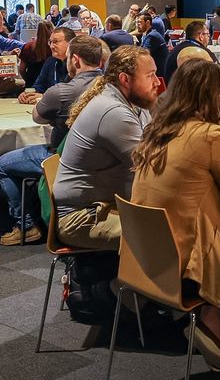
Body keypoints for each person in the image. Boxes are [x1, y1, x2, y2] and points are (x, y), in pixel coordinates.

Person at [130, 59, 220, 371]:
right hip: (187, 265)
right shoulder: (213, 136)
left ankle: (210, 317)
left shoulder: (156, 131)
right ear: (212, 96)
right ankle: (215, 326)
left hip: (144, 258)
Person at [0, 35, 104, 245]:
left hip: (62, 159)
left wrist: (49, 108)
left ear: (75, 60)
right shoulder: (112, 88)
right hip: (102, 163)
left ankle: (26, 226)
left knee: (2, 164)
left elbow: (37, 118)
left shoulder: (61, 91)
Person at [53, 46, 158, 250]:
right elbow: (151, 167)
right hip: (82, 217)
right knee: (168, 233)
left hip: (105, 205)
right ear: (125, 79)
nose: (157, 82)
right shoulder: (113, 112)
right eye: (150, 75)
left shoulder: (134, 104)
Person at [164, 20, 220, 85]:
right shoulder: (202, 52)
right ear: (201, 36)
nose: (209, 37)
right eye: (208, 34)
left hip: (172, 95)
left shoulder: (175, 50)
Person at [22, 26, 75, 103]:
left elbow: (73, 94)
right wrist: (28, 95)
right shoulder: (50, 62)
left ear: (70, 43)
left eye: (55, 42)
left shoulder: (77, 64)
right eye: (50, 42)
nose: (51, 46)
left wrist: (45, 97)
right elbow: (39, 86)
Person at [20, 21, 53, 87]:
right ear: (52, 29)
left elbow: (21, 69)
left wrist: (26, 80)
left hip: (31, 84)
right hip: (50, 85)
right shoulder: (54, 48)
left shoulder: (28, 46)